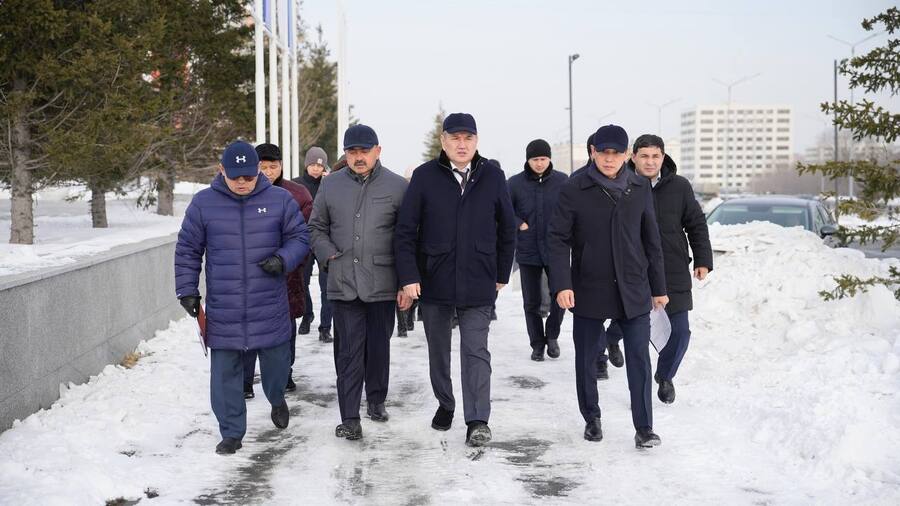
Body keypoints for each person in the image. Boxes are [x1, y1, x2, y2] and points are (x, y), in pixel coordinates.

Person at [174, 140, 309, 454]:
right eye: (236, 177)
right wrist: (187, 290)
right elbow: (188, 249)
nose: (243, 182)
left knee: (277, 366)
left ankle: (276, 398)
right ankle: (232, 432)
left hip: (269, 303)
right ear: (222, 170)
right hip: (225, 306)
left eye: (249, 176)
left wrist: (283, 259)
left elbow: (300, 238)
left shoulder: (280, 200)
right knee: (225, 375)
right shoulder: (203, 204)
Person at [395, 112, 517, 447]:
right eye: (455, 138)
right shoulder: (424, 176)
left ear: (476, 141)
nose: (462, 145)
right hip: (435, 279)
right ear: (443, 141)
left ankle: (478, 420)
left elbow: (507, 228)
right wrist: (409, 276)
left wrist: (501, 272)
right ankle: (446, 402)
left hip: (479, 279)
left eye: (468, 138)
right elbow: (405, 231)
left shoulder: (492, 175)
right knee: (439, 351)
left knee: (476, 351)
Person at [548, 125, 668, 449]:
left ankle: (644, 428)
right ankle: (592, 418)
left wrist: (659, 287)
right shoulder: (574, 188)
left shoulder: (639, 187)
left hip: (633, 287)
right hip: (589, 285)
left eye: (616, 153)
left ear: (626, 154)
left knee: (640, 359)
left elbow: (651, 240)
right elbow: (557, 239)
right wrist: (562, 284)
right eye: (604, 152)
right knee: (587, 359)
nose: (610, 159)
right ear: (593, 152)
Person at [308, 124, 410, 440]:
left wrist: (406, 283)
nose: (358, 157)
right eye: (352, 152)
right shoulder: (330, 185)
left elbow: (407, 237)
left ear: (377, 151)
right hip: (343, 282)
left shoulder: (397, 186)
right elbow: (316, 228)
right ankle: (350, 417)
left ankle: (376, 398)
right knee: (348, 352)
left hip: (383, 282)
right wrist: (329, 256)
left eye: (364, 151)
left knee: (378, 346)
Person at [604, 134, 712, 404]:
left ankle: (665, 376)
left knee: (680, 331)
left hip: (673, 268)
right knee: (631, 322)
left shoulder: (680, 186)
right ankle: (611, 339)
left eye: (655, 156)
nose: (650, 162)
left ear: (663, 157)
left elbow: (696, 223)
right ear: (633, 157)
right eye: (644, 156)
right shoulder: (621, 185)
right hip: (635, 270)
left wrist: (702, 259)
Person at [242, 143, 313, 399]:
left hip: (286, 273)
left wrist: (287, 260)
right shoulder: (241, 191)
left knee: (285, 328)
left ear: (281, 166)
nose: (268, 172)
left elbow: (305, 234)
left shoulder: (298, 194)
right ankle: (245, 379)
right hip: (249, 274)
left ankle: (285, 372)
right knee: (248, 326)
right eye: (263, 167)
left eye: (273, 166)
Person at [507, 139, 568, 361]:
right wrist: (519, 223)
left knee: (560, 295)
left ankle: (552, 335)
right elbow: (503, 210)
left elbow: (571, 209)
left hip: (556, 249)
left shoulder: (562, 181)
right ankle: (537, 344)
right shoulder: (514, 183)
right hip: (528, 248)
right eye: (535, 159)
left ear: (549, 159)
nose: (539, 163)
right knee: (531, 302)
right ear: (528, 160)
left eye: (543, 159)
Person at [294, 146, 335, 343]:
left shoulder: (330, 184)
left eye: (320, 166)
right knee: (302, 282)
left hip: (325, 240)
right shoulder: (296, 185)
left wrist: (331, 182)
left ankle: (325, 327)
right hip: (303, 240)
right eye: (313, 165)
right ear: (306, 165)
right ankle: (307, 314)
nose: (316, 169)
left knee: (327, 286)